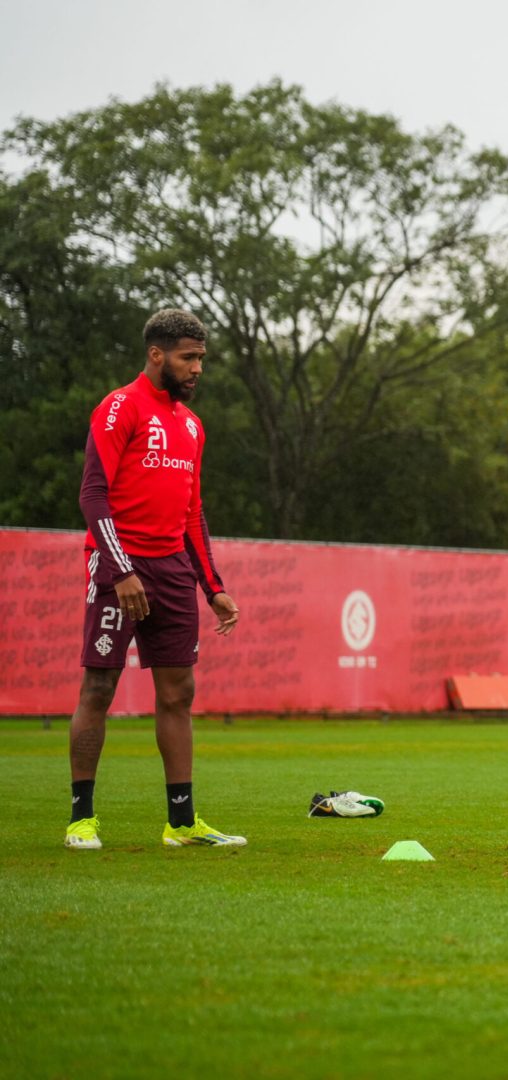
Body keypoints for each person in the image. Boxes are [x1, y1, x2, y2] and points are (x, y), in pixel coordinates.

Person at [64, 309, 243, 851]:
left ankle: (181, 824)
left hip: (171, 571)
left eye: (201, 359)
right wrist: (120, 569)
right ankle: (81, 820)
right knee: (99, 686)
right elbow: (93, 494)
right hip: (118, 563)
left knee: (179, 693)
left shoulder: (192, 426)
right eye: (189, 358)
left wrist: (213, 587)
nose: (197, 369)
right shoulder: (120, 406)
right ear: (157, 354)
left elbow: (192, 514)